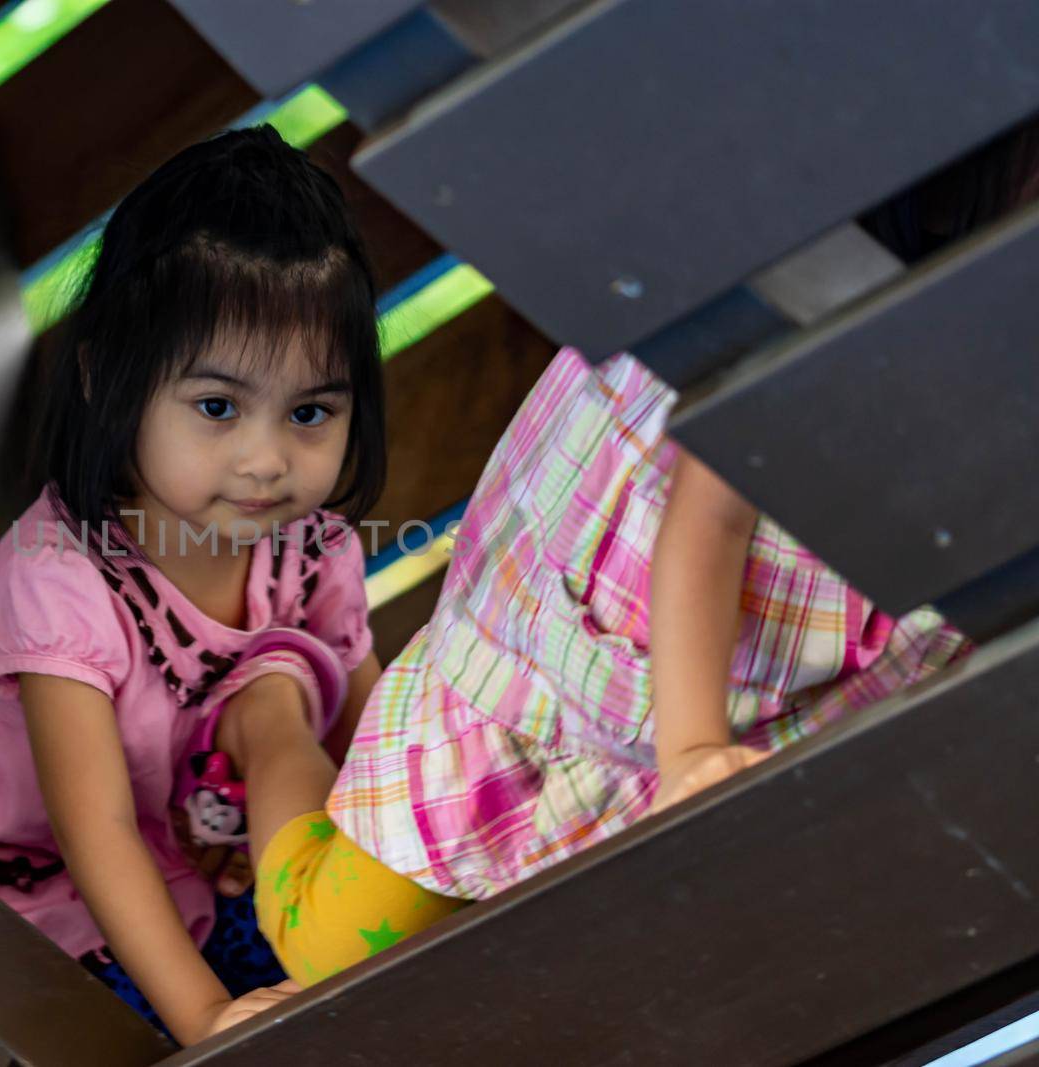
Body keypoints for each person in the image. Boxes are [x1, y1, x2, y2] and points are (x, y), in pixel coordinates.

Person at [222, 114, 1039, 987]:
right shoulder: (814, 313)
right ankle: (267, 711)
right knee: (328, 947)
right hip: (574, 705)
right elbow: (705, 522)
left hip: (757, 736)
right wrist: (692, 752)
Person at [0, 125, 386, 1045]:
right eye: (217, 407)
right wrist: (210, 1017)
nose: (266, 459)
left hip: (173, 867)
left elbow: (374, 744)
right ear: (109, 380)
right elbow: (95, 835)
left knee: (359, 981)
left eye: (310, 412)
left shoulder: (314, 549)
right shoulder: (60, 582)